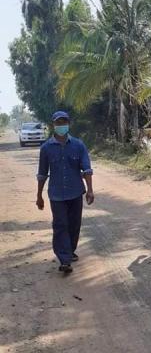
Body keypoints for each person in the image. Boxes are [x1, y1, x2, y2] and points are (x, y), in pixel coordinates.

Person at [36, 111, 94, 274]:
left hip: (75, 192)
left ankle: (69, 250)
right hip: (56, 194)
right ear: (53, 125)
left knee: (74, 225)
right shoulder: (46, 148)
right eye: (58, 122)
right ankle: (64, 259)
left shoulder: (78, 145)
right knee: (60, 224)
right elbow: (42, 174)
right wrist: (39, 195)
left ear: (68, 124)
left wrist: (90, 190)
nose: (61, 125)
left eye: (64, 122)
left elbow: (87, 169)